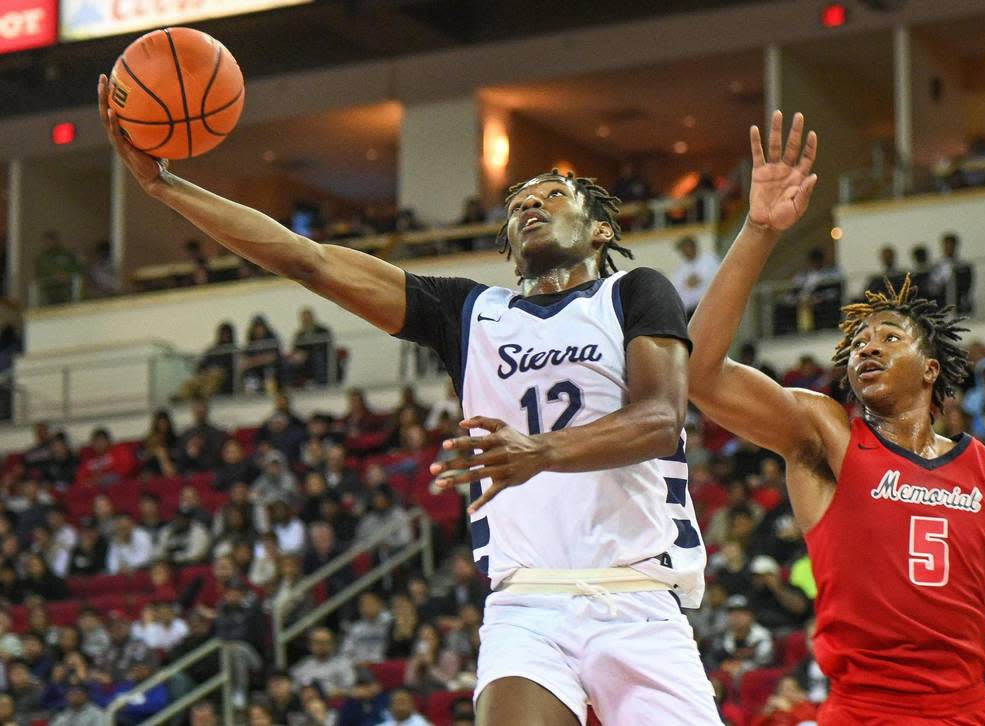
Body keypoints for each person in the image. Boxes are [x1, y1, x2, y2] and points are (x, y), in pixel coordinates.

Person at [102, 73, 712, 726]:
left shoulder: (634, 293)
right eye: (518, 204)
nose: (530, 205)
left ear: (598, 231)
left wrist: (539, 451)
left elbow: (658, 420)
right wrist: (165, 187)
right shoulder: (471, 313)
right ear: (507, 246)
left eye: (553, 195)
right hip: (527, 603)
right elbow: (308, 260)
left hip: (638, 594)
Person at [688, 111, 985, 723]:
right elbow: (698, 374)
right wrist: (758, 231)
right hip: (862, 712)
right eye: (858, 343)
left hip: (965, 713)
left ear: (931, 370)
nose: (866, 347)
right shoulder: (825, 436)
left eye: (888, 337)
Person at [670, 235, 721, 319]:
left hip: (711, 305)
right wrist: (686, 284)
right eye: (683, 249)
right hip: (691, 312)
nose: (686, 251)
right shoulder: (681, 271)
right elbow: (678, 292)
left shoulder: (709, 259)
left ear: (694, 246)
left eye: (687, 247)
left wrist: (701, 279)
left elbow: (720, 278)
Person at [34, 230, 84, 306]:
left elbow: (77, 268)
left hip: (66, 290)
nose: (47, 244)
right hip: (50, 291)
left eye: (49, 241)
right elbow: (40, 274)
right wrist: (53, 275)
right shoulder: (41, 258)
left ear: (55, 241)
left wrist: (66, 274)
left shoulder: (66, 254)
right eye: (45, 242)